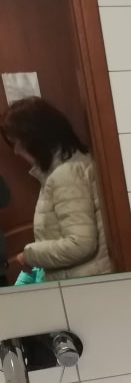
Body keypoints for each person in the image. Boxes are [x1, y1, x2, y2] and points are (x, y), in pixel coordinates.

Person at [0, 97, 112, 281]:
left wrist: (29, 255)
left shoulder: (66, 175)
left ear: (33, 138)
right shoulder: (73, 164)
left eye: (15, 143)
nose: (16, 151)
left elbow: (80, 244)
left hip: (84, 282)